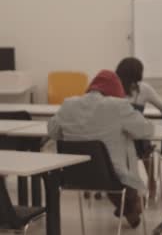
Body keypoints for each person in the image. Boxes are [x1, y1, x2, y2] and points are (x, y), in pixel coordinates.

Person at [48, 70, 154, 228]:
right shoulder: (118, 106)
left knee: (110, 172)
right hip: (112, 177)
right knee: (126, 180)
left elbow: (52, 131)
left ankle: (128, 208)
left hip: (74, 176)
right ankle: (131, 207)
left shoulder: (68, 104)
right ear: (116, 92)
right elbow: (147, 131)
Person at [116, 57, 162, 199]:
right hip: (138, 142)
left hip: (115, 142)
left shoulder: (113, 88)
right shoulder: (143, 89)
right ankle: (151, 184)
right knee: (144, 143)